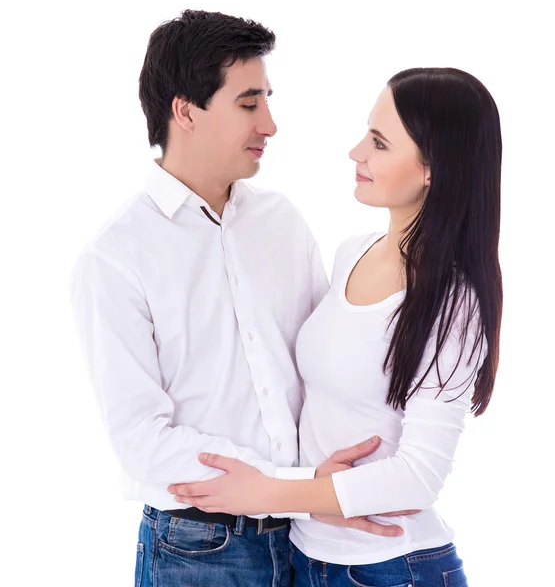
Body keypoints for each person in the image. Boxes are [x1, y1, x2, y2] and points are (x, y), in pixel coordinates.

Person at [69, 9, 408, 587]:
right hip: (199, 548)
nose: (270, 124)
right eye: (249, 103)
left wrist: (319, 489)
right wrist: (286, 484)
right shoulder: (115, 257)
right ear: (185, 111)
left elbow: (323, 372)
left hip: (313, 534)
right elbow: (141, 441)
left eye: (267, 100)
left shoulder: (282, 222)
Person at [168, 67, 503, 586]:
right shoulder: (352, 253)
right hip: (306, 557)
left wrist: (269, 493)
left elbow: (419, 477)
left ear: (434, 167)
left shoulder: (451, 300)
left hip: (395, 568)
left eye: (379, 142)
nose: (356, 153)